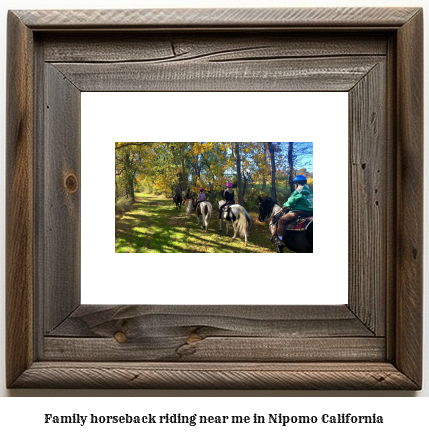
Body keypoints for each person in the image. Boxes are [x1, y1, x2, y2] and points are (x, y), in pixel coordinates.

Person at [272, 175, 313, 247]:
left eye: (294, 183)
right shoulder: (309, 191)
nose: (294, 185)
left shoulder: (298, 191)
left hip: (299, 211)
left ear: (297, 183)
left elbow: (291, 201)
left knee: (281, 221)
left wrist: (285, 205)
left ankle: (279, 240)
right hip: (311, 212)